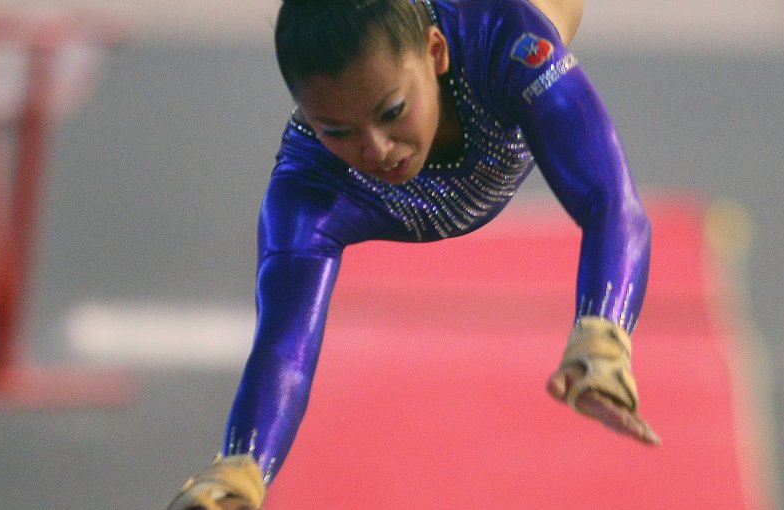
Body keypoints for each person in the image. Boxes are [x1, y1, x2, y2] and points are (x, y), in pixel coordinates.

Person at [167, 0, 657, 508]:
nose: (375, 149)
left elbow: (612, 203)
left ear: (436, 51)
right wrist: (241, 466)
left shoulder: (506, 43)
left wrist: (604, 334)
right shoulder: (310, 185)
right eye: (337, 130)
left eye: (391, 112)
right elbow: (281, 348)